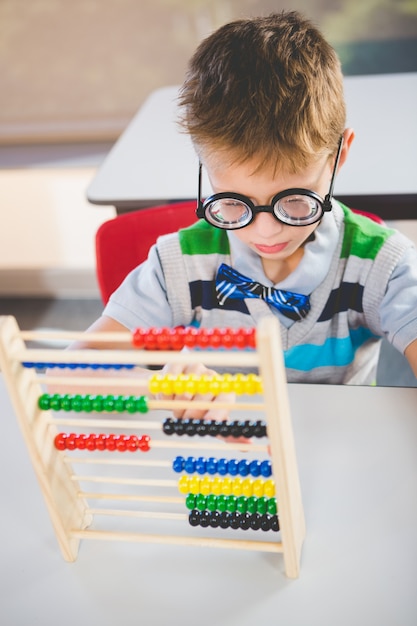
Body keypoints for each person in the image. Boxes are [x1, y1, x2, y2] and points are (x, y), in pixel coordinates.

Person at [76, 11, 417, 399]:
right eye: (235, 203)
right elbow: (73, 374)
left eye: (295, 200)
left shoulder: (382, 266)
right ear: (205, 170)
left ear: (339, 156)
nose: (266, 231)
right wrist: (159, 379)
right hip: (221, 449)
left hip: (340, 453)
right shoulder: (180, 266)